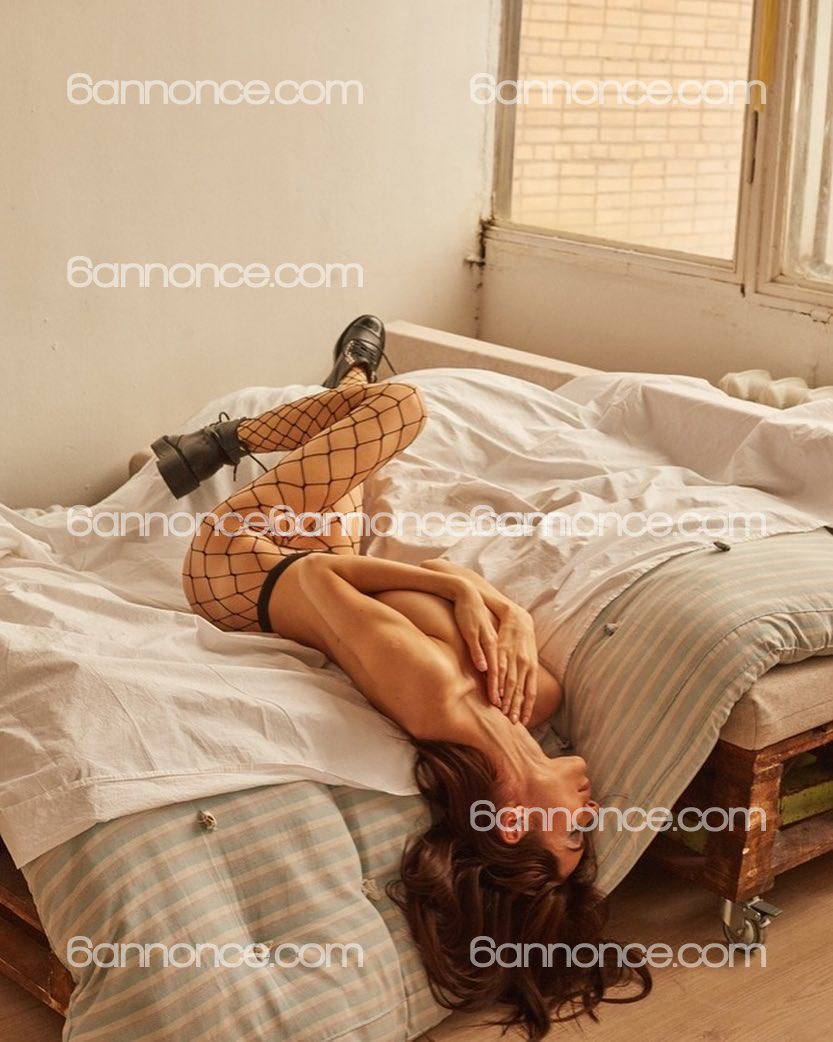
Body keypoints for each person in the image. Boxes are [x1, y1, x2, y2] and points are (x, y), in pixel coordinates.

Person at [153, 315, 651, 1038]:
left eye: (574, 834)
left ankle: (225, 441)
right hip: (325, 556)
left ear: (512, 821)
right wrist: (508, 611)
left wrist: (459, 587)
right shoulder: (537, 699)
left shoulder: (429, 695)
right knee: (353, 450)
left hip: (235, 565)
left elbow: (315, 579)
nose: (592, 812)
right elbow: (411, 578)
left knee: (402, 408)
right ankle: (347, 378)